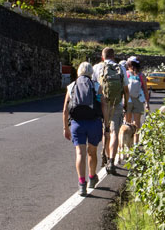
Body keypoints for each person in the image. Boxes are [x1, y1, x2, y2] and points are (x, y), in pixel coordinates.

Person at [63, 61, 102, 196]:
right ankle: (92, 177)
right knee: (92, 152)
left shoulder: (71, 86)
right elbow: (103, 106)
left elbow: (65, 110)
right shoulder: (96, 86)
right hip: (93, 123)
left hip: (77, 123)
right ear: (91, 72)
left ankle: (81, 184)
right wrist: (107, 124)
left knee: (80, 153)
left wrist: (65, 128)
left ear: (79, 71)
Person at [92, 47, 128, 175]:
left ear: (102, 57)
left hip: (100, 103)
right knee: (114, 132)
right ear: (114, 56)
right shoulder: (121, 68)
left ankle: (106, 156)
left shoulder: (97, 68)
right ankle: (112, 161)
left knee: (105, 131)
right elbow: (126, 89)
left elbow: (92, 86)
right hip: (116, 104)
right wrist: (125, 105)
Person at [124, 57, 149, 143]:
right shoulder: (141, 76)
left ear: (129, 64)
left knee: (127, 122)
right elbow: (145, 90)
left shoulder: (126, 74)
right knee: (137, 122)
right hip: (138, 100)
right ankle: (136, 143)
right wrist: (147, 102)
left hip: (128, 100)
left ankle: (127, 142)